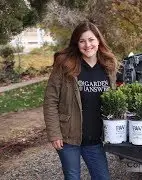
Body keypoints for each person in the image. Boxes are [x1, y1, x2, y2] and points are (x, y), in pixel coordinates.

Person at [43, 22, 118, 180]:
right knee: (72, 177)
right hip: (68, 138)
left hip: (94, 139)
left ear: (98, 40)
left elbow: (114, 99)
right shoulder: (65, 65)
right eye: (82, 41)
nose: (87, 45)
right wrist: (54, 134)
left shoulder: (108, 66)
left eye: (91, 39)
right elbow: (50, 100)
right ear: (76, 44)